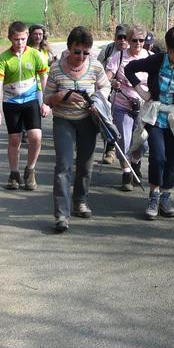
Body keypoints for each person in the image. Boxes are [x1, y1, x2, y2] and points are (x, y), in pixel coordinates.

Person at [124, 26, 174, 220]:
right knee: (158, 156)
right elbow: (129, 69)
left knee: (171, 158)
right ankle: (154, 196)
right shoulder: (157, 60)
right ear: (167, 48)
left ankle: (166, 197)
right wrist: (141, 92)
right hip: (156, 116)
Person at [43, 26, 111, 233]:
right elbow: (46, 98)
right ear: (68, 48)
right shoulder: (55, 69)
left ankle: (80, 200)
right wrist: (62, 96)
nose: (81, 56)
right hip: (63, 120)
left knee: (85, 165)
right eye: (77, 51)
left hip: (88, 121)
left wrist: (98, 101)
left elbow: (105, 87)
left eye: (85, 52)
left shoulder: (96, 67)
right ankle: (61, 214)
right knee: (63, 166)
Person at [0, 21, 50, 191]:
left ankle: (30, 170)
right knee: (15, 139)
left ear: (27, 37)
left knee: (36, 137)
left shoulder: (34, 55)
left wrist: (45, 102)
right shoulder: (3, 58)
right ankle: (14, 173)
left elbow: (44, 79)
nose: (20, 43)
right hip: (11, 102)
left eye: (23, 39)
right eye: (16, 39)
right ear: (10, 38)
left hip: (31, 100)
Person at [104, 24, 149, 191]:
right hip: (122, 104)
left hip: (144, 106)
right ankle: (126, 173)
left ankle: (135, 163)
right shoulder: (119, 57)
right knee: (124, 141)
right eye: (134, 40)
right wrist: (112, 82)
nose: (138, 43)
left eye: (141, 40)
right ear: (128, 41)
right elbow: (106, 77)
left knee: (143, 142)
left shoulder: (149, 57)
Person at [97, 24, 128, 165]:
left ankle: (126, 153)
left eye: (125, 37)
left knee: (122, 125)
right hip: (108, 91)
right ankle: (109, 150)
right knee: (107, 121)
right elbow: (97, 69)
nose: (122, 40)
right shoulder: (107, 50)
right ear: (115, 38)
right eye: (119, 37)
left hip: (128, 95)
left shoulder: (135, 50)